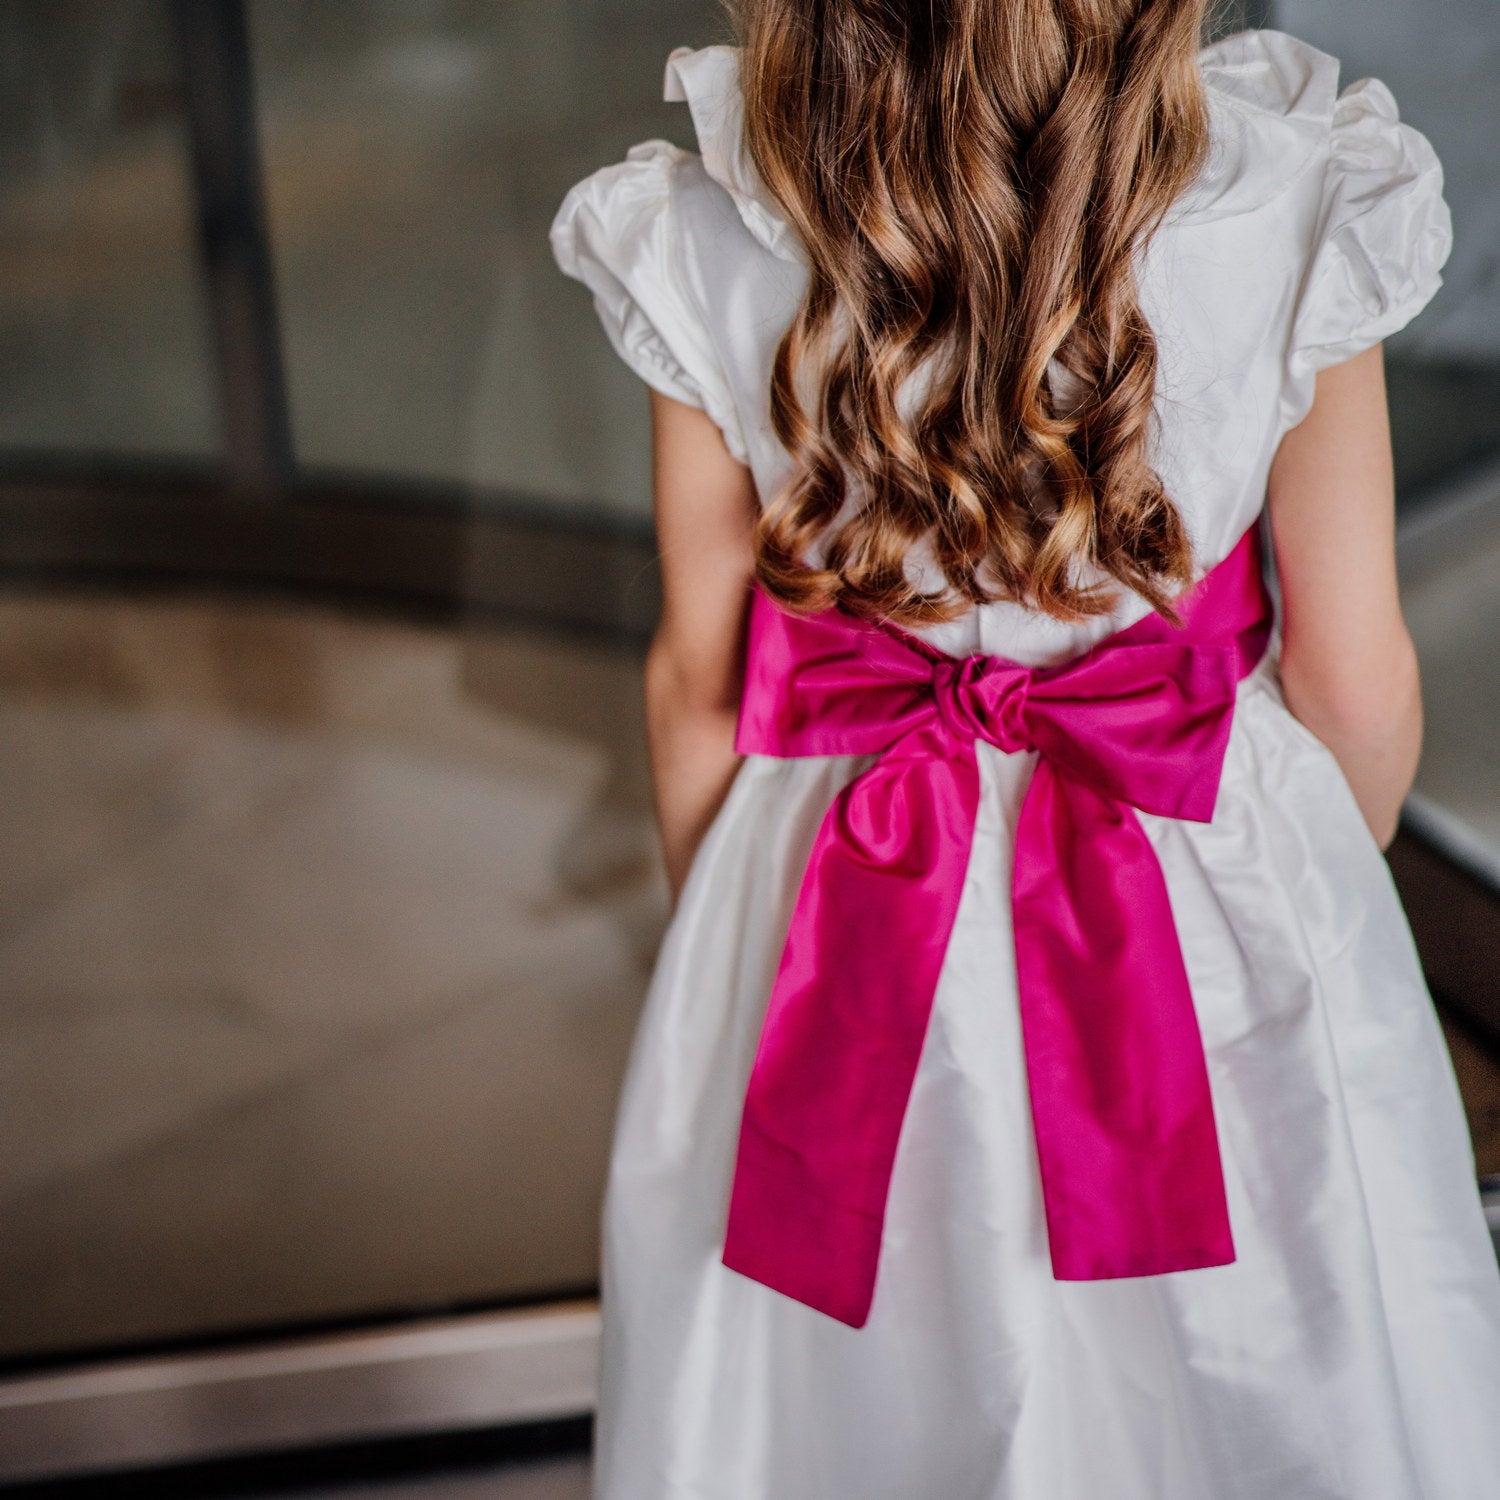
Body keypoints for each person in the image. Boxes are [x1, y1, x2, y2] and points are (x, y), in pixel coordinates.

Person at [549, 7, 1500, 1496]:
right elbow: (1353, 672)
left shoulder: (713, 223)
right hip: (1199, 862)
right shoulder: (1294, 190)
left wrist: (731, 941)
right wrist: (1311, 891)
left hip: (844, 888)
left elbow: (697, 679)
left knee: (858, 1386)